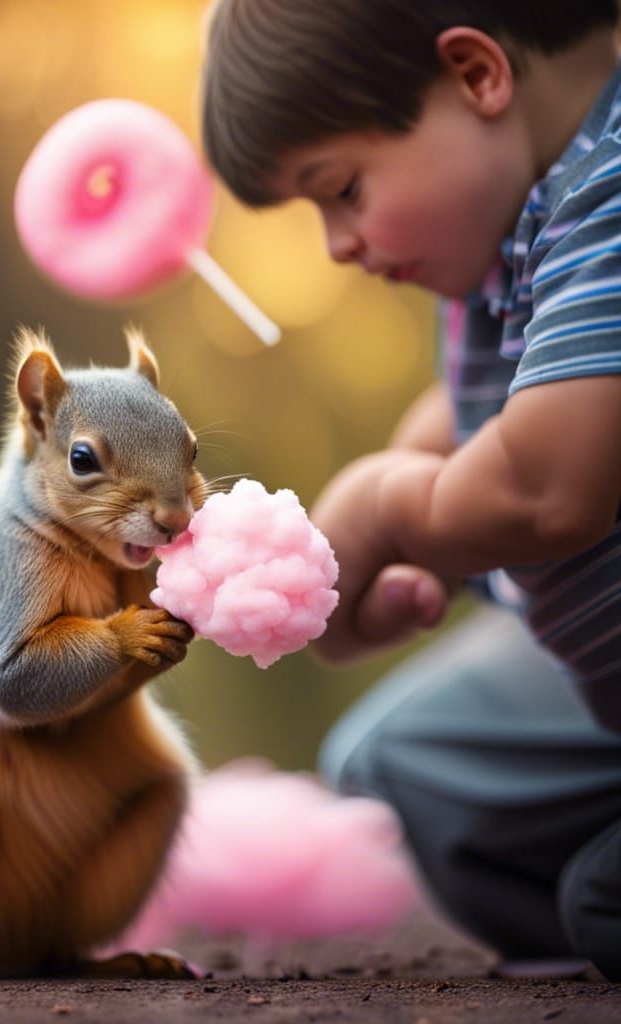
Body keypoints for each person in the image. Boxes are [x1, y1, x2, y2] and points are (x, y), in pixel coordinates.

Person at [201, 0, 621, 980]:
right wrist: (349, 560)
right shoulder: (509, 229)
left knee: (599, 898)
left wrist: (387, 508)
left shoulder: (608, 198)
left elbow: (547, 489)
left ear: (477, 76)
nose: (337, 244)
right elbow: (473, 416)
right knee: (393, 770)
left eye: (340, 188)